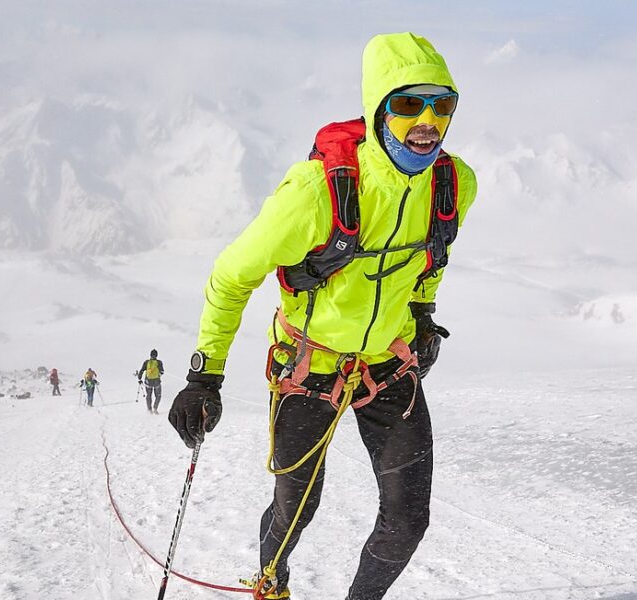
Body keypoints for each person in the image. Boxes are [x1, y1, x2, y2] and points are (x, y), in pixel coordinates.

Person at [169, 32, 476, 600]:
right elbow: (232, 275)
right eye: (409, 104)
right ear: (379, 109)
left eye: (442, 104)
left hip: (389, 365)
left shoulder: (453, 184)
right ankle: (271, 583)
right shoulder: (317, 192)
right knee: (295, 509)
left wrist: (423, 314)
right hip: (309, 368)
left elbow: (435, 253)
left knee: (409, 520)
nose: (427, 120)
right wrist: (203, 375)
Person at [137, 349, 165, 413]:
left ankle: (149, 409)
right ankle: (155, 408)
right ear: (157, 355)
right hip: (157, 381)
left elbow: (141, 370)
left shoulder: (146, 362)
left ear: (150, 355)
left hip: (148, 381)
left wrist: (139, 378)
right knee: (158, 395)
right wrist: (158, 374)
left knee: (149, 395)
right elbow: (162, 371)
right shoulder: (159, 362)